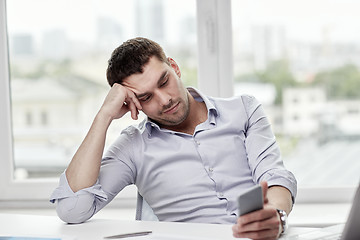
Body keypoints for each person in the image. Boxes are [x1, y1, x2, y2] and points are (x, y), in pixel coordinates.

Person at [50, 37, 297, 240]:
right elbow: (72, 209)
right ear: (131, 102)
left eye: (164, 81)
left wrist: (276, 216)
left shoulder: (243, 109)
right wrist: (104, 116)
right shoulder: (134, 147)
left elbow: (274, 176)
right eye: (146, 97)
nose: (164, 99)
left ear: (174, 67)